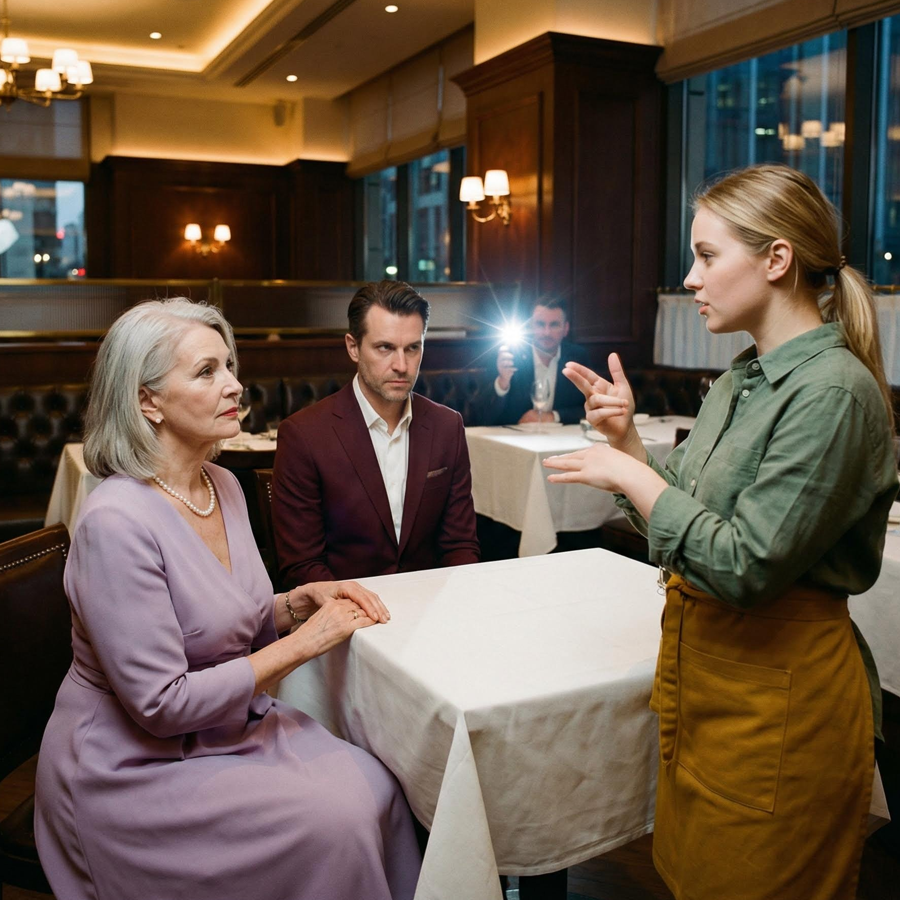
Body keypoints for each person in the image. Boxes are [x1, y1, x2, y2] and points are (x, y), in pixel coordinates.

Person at [543, 165, 898, 900]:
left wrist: (632, 480)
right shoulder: (742, 378)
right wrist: (633, 448)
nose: (691, 277)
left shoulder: (832, 390)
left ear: (776, 260)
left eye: (707, 256)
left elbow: (743, 565)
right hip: (708, 680)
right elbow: (693, 518)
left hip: (784, 699)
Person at [34, 298, 421, 900]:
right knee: (337, 821)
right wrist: (304, 643)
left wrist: (297, 604)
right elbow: (161, 704)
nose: (235, 385)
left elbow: (216, 619)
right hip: (133, 767)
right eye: (207, 371)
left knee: (382, 782)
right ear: (147, 400)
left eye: (230, 367)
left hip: (225, 728)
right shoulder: (115, 523)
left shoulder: (224, 486)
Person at [272, 280, 479, 588]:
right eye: (385, 348)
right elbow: (302, 566)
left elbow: (460, 545)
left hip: (432, 609)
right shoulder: (304, 435)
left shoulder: (447, 426)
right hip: (345, 617)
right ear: (353, 347)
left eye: (412, 348)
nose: (401, 365)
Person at [478, 298, 592, 425]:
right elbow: (484, 416)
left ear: (566, 328)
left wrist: (553, 416)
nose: (546, 332)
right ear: (530, 326)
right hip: (516, 438)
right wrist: (502, 382)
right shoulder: (509, 356)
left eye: (554, 325)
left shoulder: (577, 357)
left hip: (561, 439)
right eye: (540, 324)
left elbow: (589, 408)